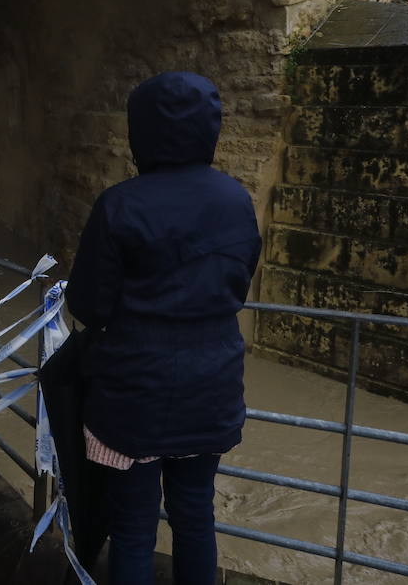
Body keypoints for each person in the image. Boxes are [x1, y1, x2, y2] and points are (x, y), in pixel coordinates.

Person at [64, 71, 261, 585]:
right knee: (196, 517)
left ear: (140, 131)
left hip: (133, 393)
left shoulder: (120, 204)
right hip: (212, 383)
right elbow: (237, 283)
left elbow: (88, 303)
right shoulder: (235, 200)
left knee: (133, 528)